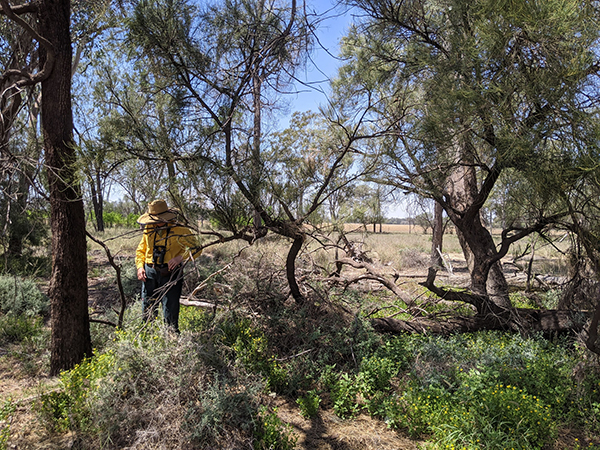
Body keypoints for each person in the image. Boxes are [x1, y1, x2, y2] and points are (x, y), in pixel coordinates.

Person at [135, 199, 199, 332]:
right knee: (148, 304)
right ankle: (147, 334)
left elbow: (197, 248)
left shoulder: (180, 229)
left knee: (170, 306)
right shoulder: (149, 228)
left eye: (159, 219)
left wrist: (180, 257)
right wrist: (140, 267)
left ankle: (171, 335)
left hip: (171, 272)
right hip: (149, 271)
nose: (157, 223)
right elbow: (141, 249)